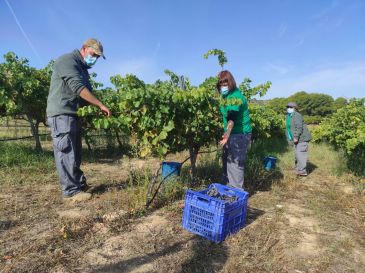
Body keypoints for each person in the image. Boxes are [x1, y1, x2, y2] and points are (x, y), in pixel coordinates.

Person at [46, 38, 111, 202]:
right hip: (62, 113)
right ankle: (70, 192)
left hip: (73, 114)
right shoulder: (66, 60)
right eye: (93, 54)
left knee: (75, 152)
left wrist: (95, 109)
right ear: (84, 48)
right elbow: (78, 87)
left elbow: (87, 92)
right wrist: (100, 104)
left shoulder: (82, 69)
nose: (94, 59)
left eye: (97, 57)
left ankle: (79, 184)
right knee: (66, 151)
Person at [217, 70, 252, 189]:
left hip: (239, 135)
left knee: (235, 165)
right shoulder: (225, 97)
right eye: (221, 84)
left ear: (231, 83)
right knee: (228, 162)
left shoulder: (235, 96)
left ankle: (236, 195)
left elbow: (231, 118)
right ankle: (228, 191)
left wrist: (226, 135)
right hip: (232, 134)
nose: (223, 86)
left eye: (225, 84)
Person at [285, 102, 311, 176]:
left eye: (290, 107)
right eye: (288, 107)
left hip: (301, 138)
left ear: (294, 108)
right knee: (297, 154)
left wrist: (296, 137)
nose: (288, 108)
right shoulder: (288, 116)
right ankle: (298, 169)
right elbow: (288, 128)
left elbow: (298, 127)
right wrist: (289, 139)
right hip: (295, 138)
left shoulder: (297, 115)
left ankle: (302, 171)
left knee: (301, 153)